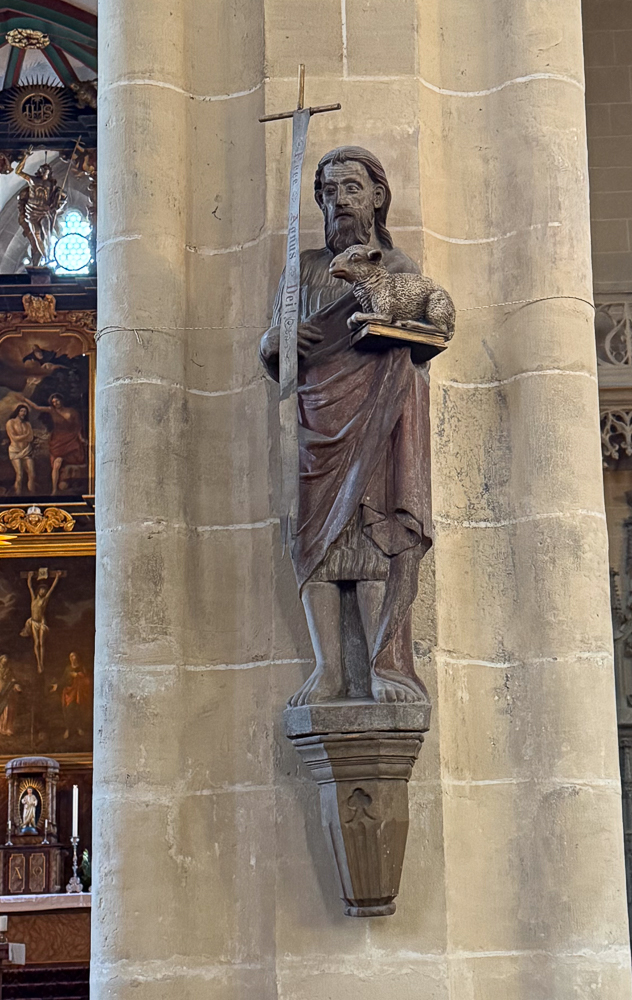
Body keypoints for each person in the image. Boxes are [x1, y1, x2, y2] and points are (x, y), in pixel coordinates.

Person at [260, 146, 433, 706]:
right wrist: (276, 342)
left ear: (377, 197)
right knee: (315, 538)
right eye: (329, 191)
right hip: (317, 417)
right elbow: (276, 343)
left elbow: (423, 341)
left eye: (351, 188)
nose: (339, 201)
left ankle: (382, 666)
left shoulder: (398, 268)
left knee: (373, 535)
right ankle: (329, 670)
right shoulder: (303, 269)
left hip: (378, 413)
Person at [18, 394, 86, 494]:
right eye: (53, 402)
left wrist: (81, 438)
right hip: (58, 441)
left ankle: (64, 483)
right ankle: (54, 490)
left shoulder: (72, 411)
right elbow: (37, 407)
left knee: (69, 464)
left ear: (61, 400)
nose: (55, 403)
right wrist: (25, 399)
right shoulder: (52, 410)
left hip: (71, 439)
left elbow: (78, 426)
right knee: (56, 464)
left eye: (57, 401)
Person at [15, 150, 66, 266]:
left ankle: (49, 256)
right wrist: (25, 157)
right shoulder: (33, 180)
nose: (45, 170)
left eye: (47, 169)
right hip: (31, 213)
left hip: (44, 212)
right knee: (37, 236)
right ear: (40, 171)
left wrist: (61, 196)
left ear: (49, 172)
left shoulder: (51, 185)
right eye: (43, 169)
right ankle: (45, 257)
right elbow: (18, 172)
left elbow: (60, 197)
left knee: (47, 233)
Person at [20, 570, 61, 674]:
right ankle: (38, 663)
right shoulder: (33, 599)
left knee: (42, 643)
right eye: (41, 590)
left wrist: (57, 577)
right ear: (38, 591)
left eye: (44, 590)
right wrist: (29, 577)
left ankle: (42, 663)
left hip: (41, 623)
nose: (43, 591)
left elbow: (52, 589)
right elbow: (30, 587)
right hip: (34, 623)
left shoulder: (45, 600)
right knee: (36, 642)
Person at [51, 651, 91, 740]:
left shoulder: (82, 668)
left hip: (79, 693)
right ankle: (68, 729)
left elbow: (87, 681)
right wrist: (57, 686)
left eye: (74, 656)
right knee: (69, 710)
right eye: (71, 657)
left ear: (77, 658)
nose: (73, 658)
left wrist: (77, 675)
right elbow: (63, 680)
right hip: (69, 692)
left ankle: (79, 727)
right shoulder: (68, 668)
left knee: (79, 710)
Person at [5, 404, 36, 494]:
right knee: (19, 475)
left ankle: (32, 495)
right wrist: (26, 435)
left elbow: (31, 438)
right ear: (17, 412)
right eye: (21, 411)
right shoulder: (10, 423)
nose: (23, 413)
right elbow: (14, 438)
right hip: (15, 451)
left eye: (25, 411)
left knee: (32, 474)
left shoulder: (27, 424)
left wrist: (23, 437)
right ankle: (18, 495)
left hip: (26, 450)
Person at [0, 655, 21, 737]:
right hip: (1, 691)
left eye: (6, 659)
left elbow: (13, 679)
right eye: (4, 659)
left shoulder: (9, 670)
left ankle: (8, 728)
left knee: (9, 710)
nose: (5, 660)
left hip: (8, 691)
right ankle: (1, 727)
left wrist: (15, 683)